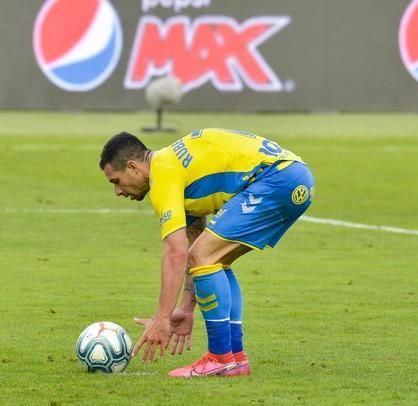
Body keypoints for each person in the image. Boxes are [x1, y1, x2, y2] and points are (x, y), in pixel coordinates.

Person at [99, 128, 314, 377]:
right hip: (291, 177)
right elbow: (194, 244)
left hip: (276, 179)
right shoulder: (176, 169)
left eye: (116, 181)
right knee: (214, 259)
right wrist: (186, 307)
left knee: (204, 255)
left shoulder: (163, 173)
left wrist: (162, 318)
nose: (117, 191)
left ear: (134, 167)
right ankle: (236, 360)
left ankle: (220, 357)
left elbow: (176, 252)